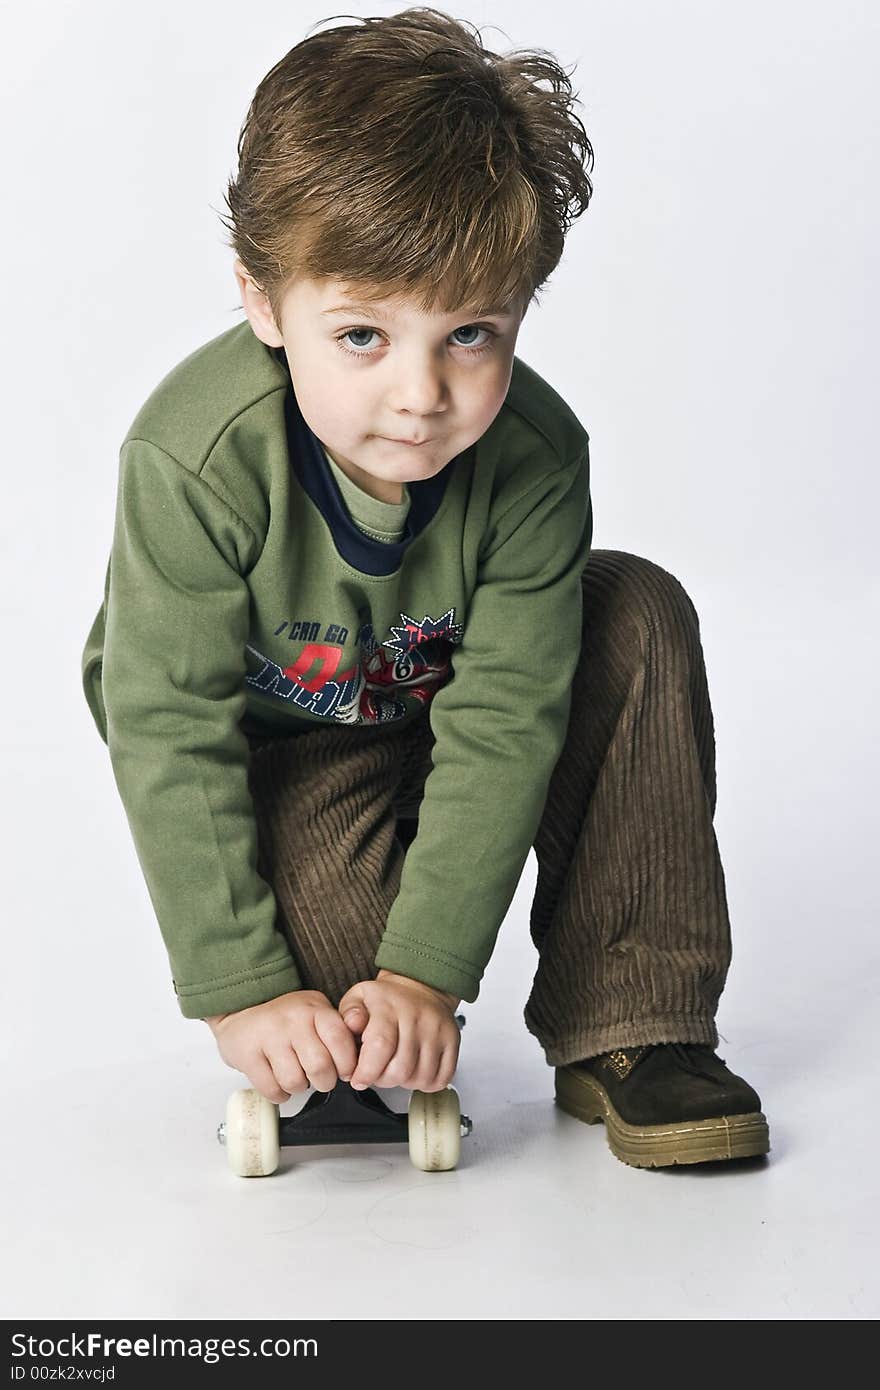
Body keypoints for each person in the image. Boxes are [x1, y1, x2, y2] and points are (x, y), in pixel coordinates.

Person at [80, 8, 770, 1169]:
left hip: (441, 714)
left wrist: (428, 968)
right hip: (288, 755)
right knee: (345, 1014)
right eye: (360, 334)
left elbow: (507, 714)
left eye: (469, 334)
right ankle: (334, 979)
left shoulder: (535, 458)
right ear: (262, 301)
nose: (420, 395)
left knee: (638, 610)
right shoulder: (195, 459)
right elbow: (167, 726)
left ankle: (634, 1019)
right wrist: (245, 988)